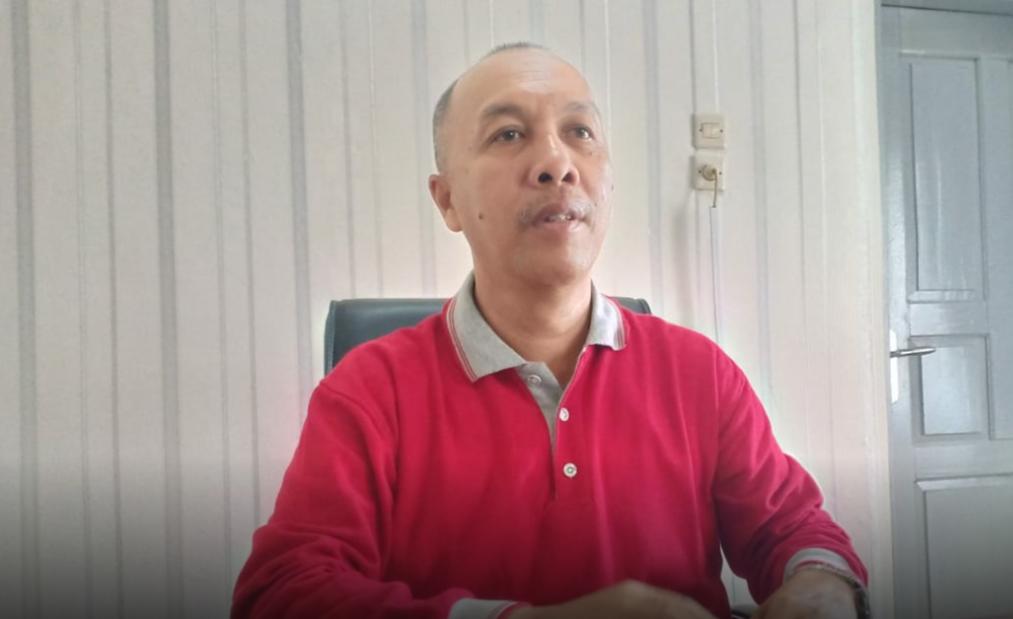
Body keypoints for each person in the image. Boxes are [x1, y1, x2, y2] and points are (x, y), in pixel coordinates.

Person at [232, 43, 868, 619]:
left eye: (579, 132)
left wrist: (822, 582)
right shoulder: (369, 392)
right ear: (447, 200)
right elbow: (280, 593)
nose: (556, 163)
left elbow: (793, 528)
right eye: (509, 134)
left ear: (608, 181)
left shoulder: (700, 373)